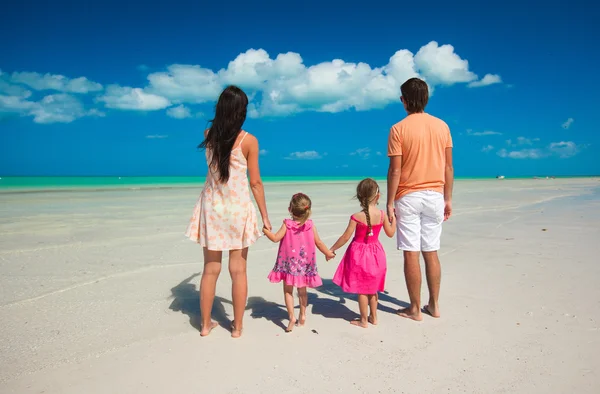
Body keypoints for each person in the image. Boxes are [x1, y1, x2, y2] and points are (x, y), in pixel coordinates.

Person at [185, 85, 271, 338]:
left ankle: (204, 325)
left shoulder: (208, 134)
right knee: (238, 270)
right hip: (237, 209)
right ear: (242, 111)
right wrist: (265, 217)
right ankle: (237, 327)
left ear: (220, 109)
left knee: (210, 269)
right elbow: (255, 182)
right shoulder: (248, 141)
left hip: (212, 208)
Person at [386, 77, 454, 321]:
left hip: (408, 196)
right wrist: (448, 198)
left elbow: (395, 170)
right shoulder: (442, 126)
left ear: (404, 100)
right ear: (426, 99)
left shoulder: (398, 129)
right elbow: (448, 168)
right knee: (431, 252)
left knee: (411, 253)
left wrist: (389, 202)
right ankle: (433, 306)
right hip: (436, 195)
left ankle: (415, 309)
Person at [263, 193, 334, 332]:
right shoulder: (310, 225)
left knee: (288, 291)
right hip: (305, 266)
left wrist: (265, 231)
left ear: (290, 209)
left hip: (288, 265)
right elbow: (318, 242)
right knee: (302, 292)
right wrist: (328, 253)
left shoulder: (287, 224)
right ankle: (302, 316)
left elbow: (276, 238)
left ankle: (291, 318)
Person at [329, 178, 396, 328]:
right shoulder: (382, 215)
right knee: (372, 289)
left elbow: (345, 237)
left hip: (358, 256)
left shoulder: (356, 217)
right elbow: (391, 233)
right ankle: (374, 317)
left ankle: (363, 320)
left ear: (359, 197)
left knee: (362, 290)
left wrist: (332, 249)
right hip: (376, 255)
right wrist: (395, 219)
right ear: (378, 196)